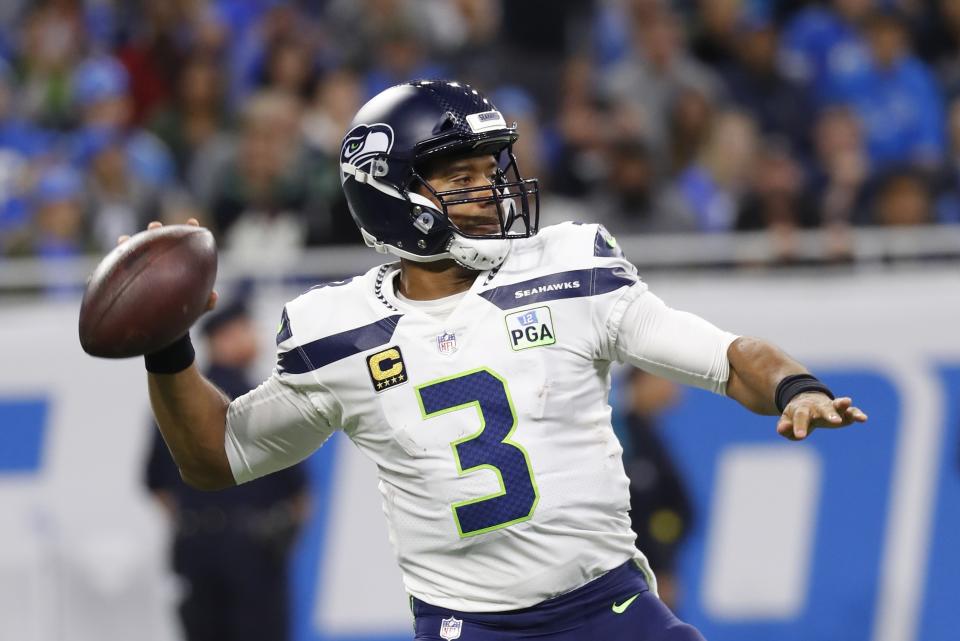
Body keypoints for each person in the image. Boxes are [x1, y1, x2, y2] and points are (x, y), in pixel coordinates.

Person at [131, 81, 867, 641]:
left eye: (492, 168)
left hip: (609, 608)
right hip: (469, 627)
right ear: (391, 195)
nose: (490, 192)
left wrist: (794, 386)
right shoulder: (338, 330)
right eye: (459, 178)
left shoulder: (571, 265)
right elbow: (216, 455)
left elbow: (729, 358)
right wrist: (167, 348)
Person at [144, 298, 309, 641]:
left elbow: (156, 485)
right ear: (222, 337)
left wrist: (199, 519)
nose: (254, 337)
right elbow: (299, 491)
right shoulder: (261, 398)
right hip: (253, 552)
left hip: (196, 548)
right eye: (245, 329)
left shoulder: (175, 403)